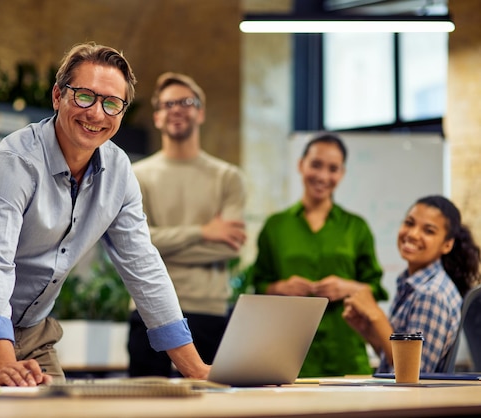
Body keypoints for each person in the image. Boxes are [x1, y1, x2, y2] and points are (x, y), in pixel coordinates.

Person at [0, 42, 210, 387]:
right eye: (84, 96)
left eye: (112, 103)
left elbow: (144, 266)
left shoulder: (119, 172)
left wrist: (196, 369)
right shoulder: (14, 161)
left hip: (33, 326)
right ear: (58, 96)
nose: (97, 114)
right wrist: (3, 361)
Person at [127, 72, 247, 377]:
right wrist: (203, 232)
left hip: (208, 311)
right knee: (146, 408)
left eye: (186, 102)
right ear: (157, 117)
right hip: (148, 310)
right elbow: (132, 246)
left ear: (200, 112)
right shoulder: (135, 175)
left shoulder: (227, 177)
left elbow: (227, 248)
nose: (177, 109)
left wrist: (156, 248)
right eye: (168, 104)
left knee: (212, 409)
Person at [251, 132, 388, 377]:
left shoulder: (357, 227)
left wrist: (347, 287)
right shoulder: (275, 227)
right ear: (301, 165)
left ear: (342, 173)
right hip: (288, 355)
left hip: (347, 354)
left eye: (333, 168)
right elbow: (258, 285)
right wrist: (280, 288)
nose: (323, 176)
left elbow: (375, 288)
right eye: (316, 165)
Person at [343, 195, 480, 373]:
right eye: (409, 223)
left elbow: (411, 376)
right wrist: (369, 331)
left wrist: (376, 316)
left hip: (409, 400)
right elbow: (393, 363)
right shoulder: (412, 286)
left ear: (447, 245)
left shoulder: (431, 294)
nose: (413, 234)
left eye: (428, 231)